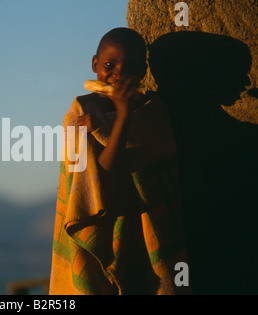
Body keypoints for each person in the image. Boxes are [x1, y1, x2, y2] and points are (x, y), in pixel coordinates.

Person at [49, 28, 189, 294]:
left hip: (143, 228)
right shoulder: (81, 112)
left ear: (144, 72)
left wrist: (121, 117)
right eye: (109, 66)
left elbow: (157, 146)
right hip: (107, 224)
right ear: (94, 64)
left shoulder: (152, 111)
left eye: (130, 68)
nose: (117, 75)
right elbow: (99, 172)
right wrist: (116, 120)